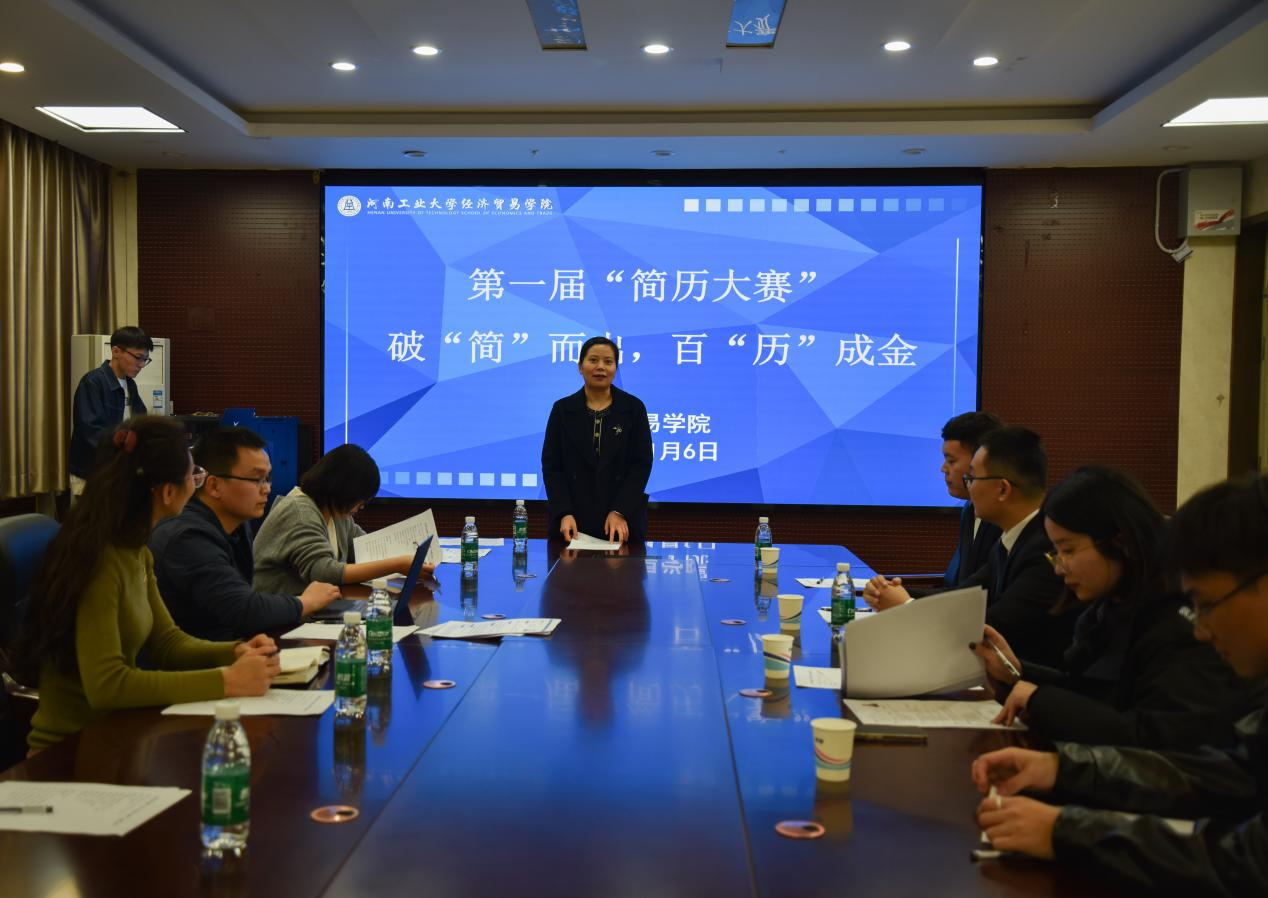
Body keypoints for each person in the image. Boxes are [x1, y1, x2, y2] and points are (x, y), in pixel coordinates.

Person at [972, 473, 1268, 894]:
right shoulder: (1110, 610)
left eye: (1206, 604)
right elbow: (1227, 775)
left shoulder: (1172, 626)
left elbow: (1246, 862)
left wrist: (1067, 831)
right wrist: (1065, 769)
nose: (1201, 630)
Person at [14, 416, 279, 751]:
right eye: (193, 475)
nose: (197, 482)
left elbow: (167, 642)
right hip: (69, 753)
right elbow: (108, 685)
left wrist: (235, 651)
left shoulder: (135, 548)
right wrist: (226, 681)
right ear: (168, 492)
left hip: (118, 740)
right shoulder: (99, 559)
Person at [973, 466, 1263, 750]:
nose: (1059, 568)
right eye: (1055, 552)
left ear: (1120, 541)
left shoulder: (1175, 621)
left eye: (1068, 550)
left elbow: (1161, 740)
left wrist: (1043, 706)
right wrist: (1018, 672)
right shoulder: (1108, 607)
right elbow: (1090, 693)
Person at [865, 427, 1076, 668]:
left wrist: (906, 607)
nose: (969, 487)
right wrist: (891, 592)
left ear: (1003, 489)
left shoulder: (1046, 550)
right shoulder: (1009, 540)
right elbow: (963, 596)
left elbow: (993, 627)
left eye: (972, 478)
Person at [149, 427, 341, 641]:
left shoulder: (237, 524)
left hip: (228, 648)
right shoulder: (186, 537)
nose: (267, 489)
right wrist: (306, 602)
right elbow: (243, 610)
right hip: (194, 657)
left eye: (268, 478)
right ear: (214, 485)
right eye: (257, 479)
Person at [252, 443, 425, 595]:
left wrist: (410, 556)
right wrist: (397, 564)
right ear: (342, 490)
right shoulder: (300, 512)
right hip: (282, 615)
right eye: (360, 499)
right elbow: (323, 573)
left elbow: (366, 548)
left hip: (312, 610)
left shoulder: (335, 512)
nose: (361, 506)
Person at [541, 336, 653, 544]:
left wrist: (620, 510)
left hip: (621, 521)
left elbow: (642, 464)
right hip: (572, 522)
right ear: (580, 366)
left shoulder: (633, 408)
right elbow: (552, 467)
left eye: (608, 361)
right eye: (593, 360)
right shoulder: (562, 409)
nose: (600, 367)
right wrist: (564, 512)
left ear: (615, 368)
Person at [68, 326, 152, 497]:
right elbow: (92, 433)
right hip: (94, 473)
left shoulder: (130, 384)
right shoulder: (93, 382)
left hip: (119, 471)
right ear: (116, 351)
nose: (141, 365)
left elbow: (140, 422)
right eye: (138, 358)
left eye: (145, 360)